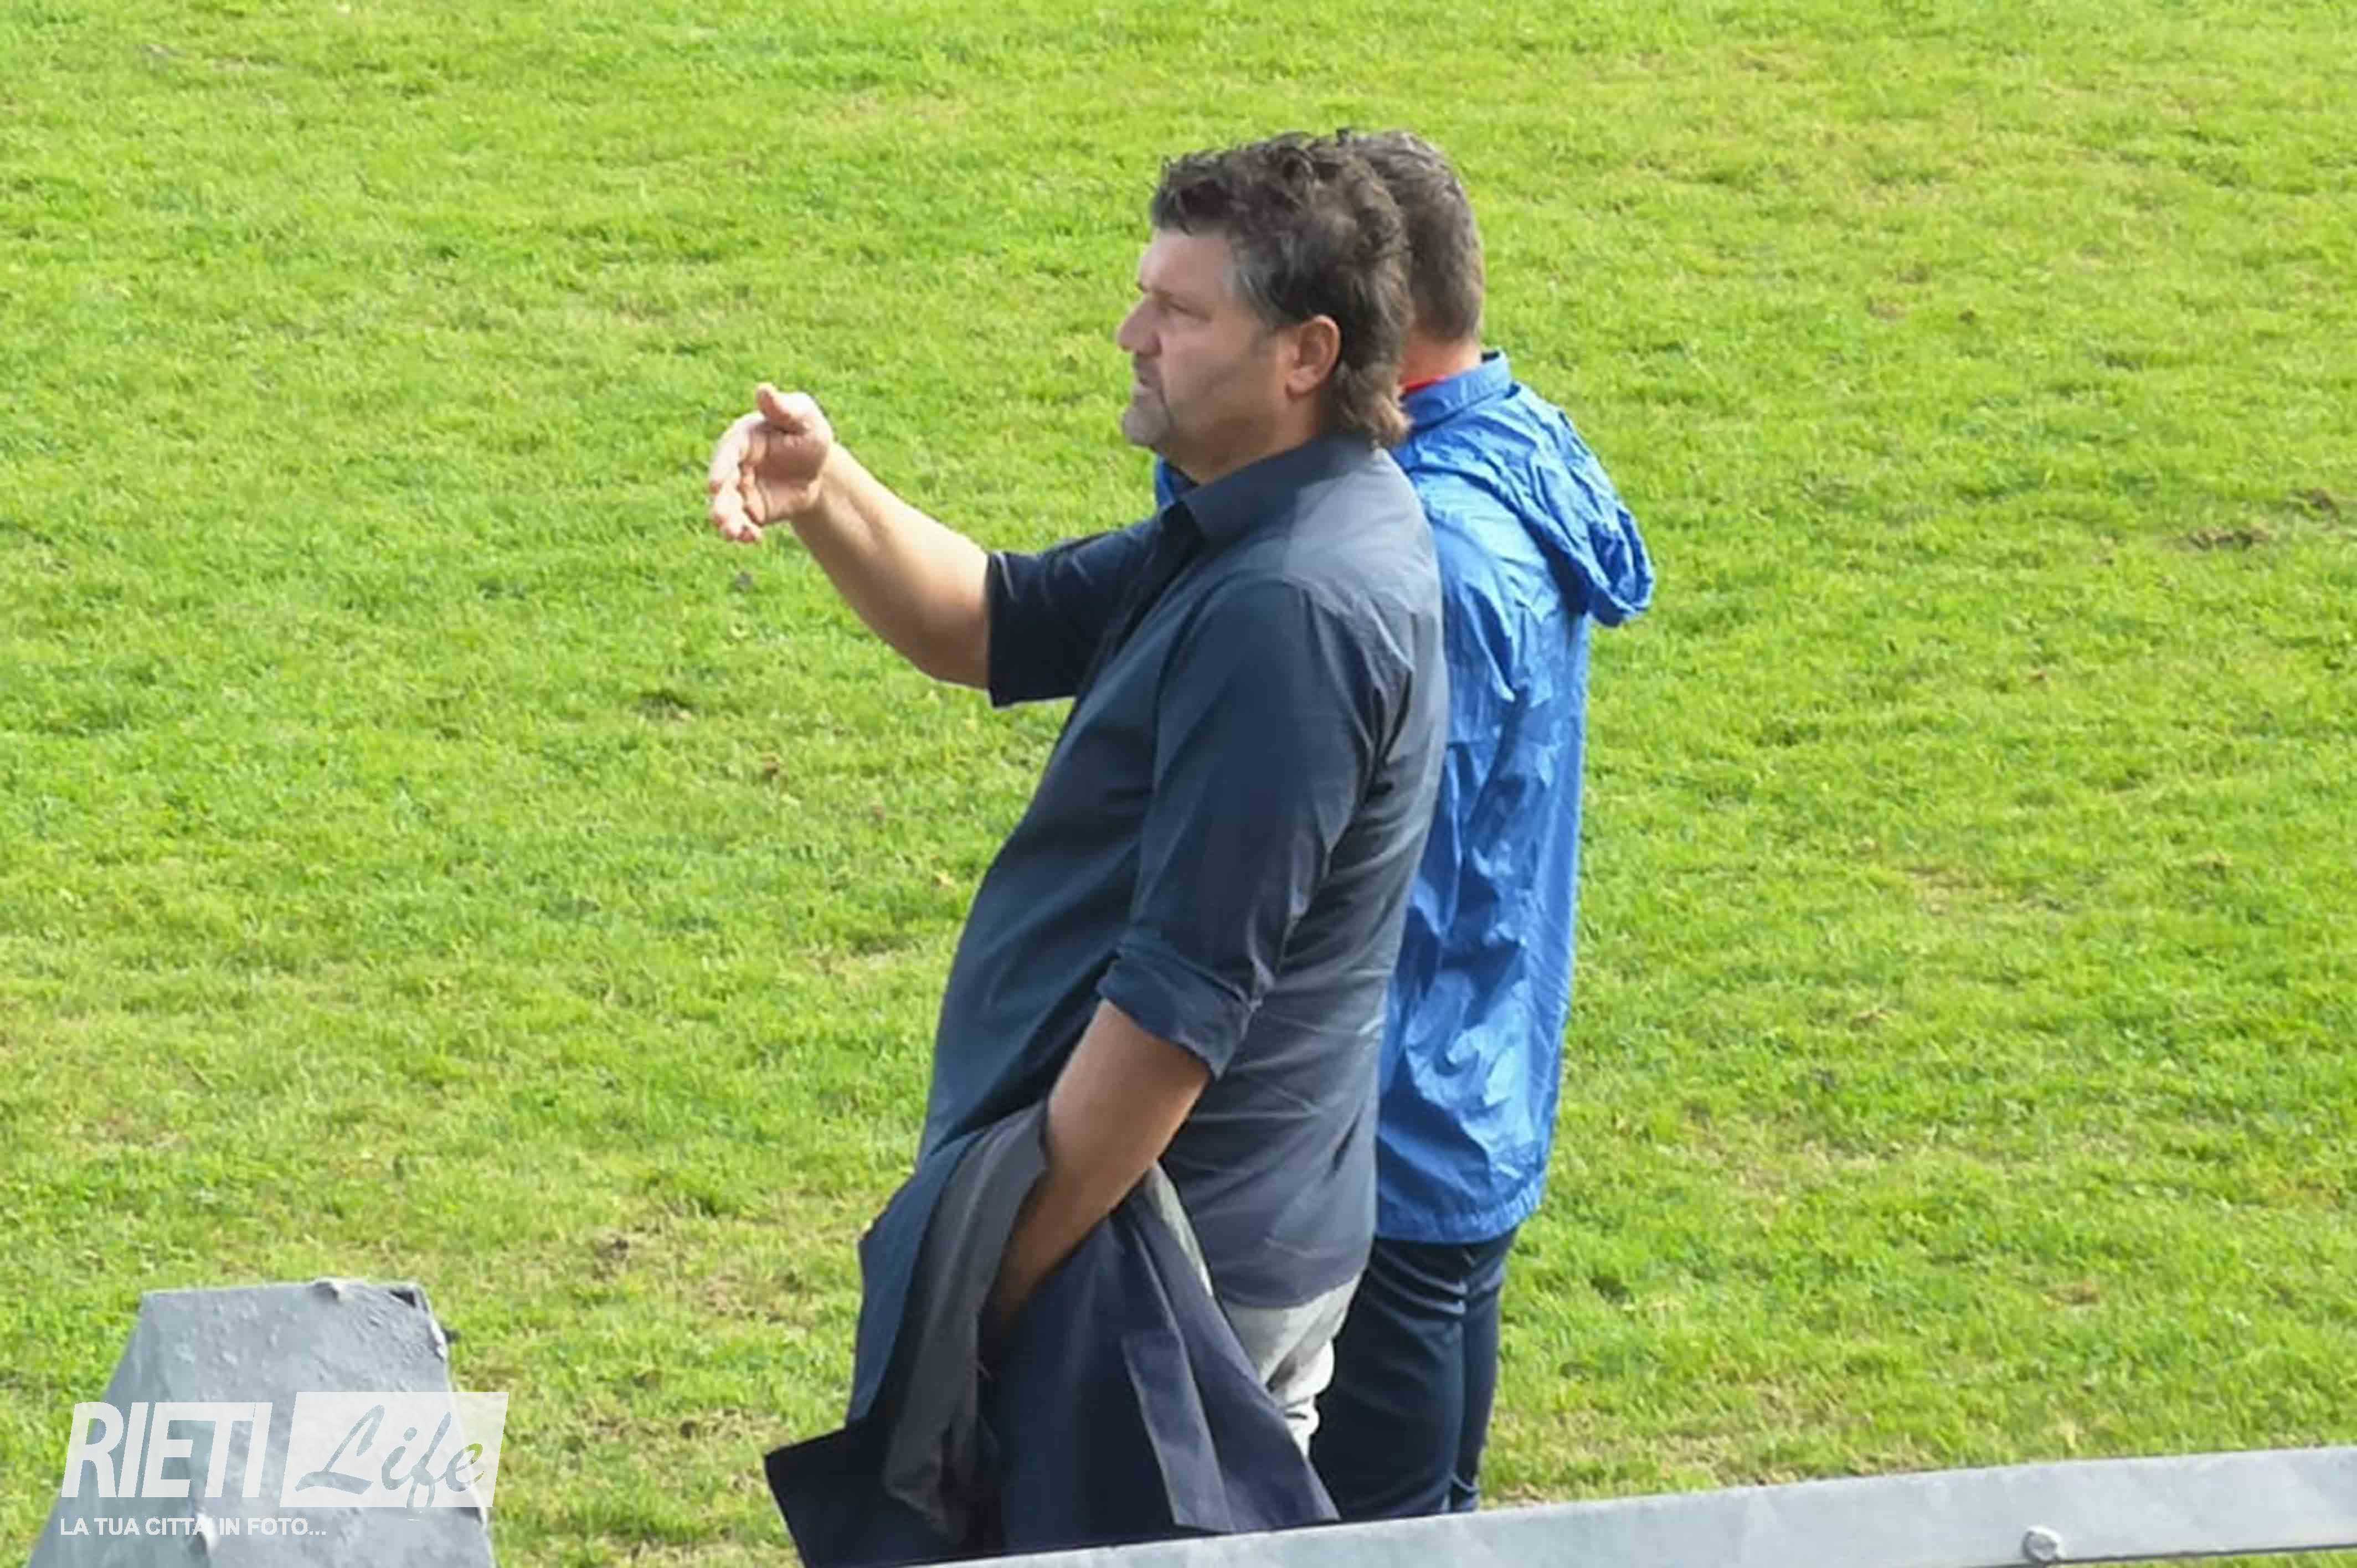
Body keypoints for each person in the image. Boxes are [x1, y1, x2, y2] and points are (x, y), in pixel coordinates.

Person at [708, 133, 1448, 1456]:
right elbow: (991, 619)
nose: (1131, 336)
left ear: (1305, 355)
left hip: (1158, 1280)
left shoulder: (1290, 608)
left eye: (1179, 312)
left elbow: (1175, 1015)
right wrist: (824, 488)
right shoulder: (1271, 520)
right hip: (1153, 1241)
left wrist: (986, 1292)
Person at [1154, 130, 1656, 1519]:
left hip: (1374, 1154)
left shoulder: (1416, 557)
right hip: (1458, 1105)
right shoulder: (1505, 452)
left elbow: (1357, 885)